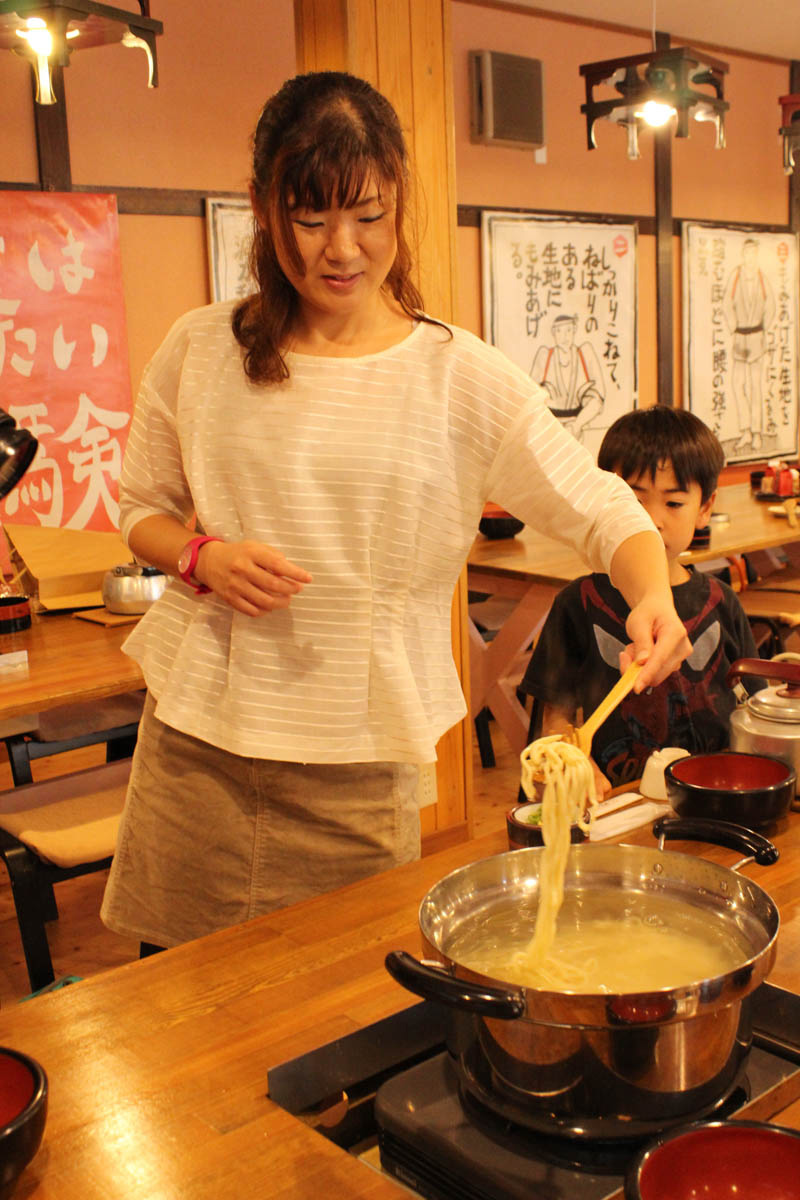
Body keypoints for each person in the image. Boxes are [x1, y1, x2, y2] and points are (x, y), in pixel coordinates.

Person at [100, 71, 690, 953]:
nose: (341, 249)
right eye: (311, 217)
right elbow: (143, 510)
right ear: (265, 207)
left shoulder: (458, 377)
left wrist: (655, 594)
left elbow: (604, 508)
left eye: (368, 217)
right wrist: (200, 559)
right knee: (177, 1011)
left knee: (339, 1028)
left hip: (356, 762)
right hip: (197, 752)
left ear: (399, 205)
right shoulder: (201, 348)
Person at [520, 405, 758, 796]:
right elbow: (556, 721)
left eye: (674, 503)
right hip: (617, 799)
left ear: (706, 508)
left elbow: (751, 704)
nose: (651, 520)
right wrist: (574, 766)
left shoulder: (721, 602)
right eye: (634, 501)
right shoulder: (578, 603)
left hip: (714, 790)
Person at [722, 238, 775, 454]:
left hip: (756, 337)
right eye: (747, 253)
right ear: (743, 255)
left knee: (756, 387)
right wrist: (733, 326)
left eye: (753, 253)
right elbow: (726, 302)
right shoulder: (736, 276)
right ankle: (744, 429)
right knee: (737, 384)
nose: (750, 257)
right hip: (740, 337)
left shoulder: (762, 277)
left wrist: (765, 326)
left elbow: (771, 304)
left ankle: (756, 432)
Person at [530, 312, 605, 440]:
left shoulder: (585, 353)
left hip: (577, 425)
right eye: (559, 331)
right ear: (553, 333)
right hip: (548, 428)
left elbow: (598, 397)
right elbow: (530, 397)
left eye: (568, 330)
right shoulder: (545, 356)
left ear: (574, 330)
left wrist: (576, 425)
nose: (564, 336)